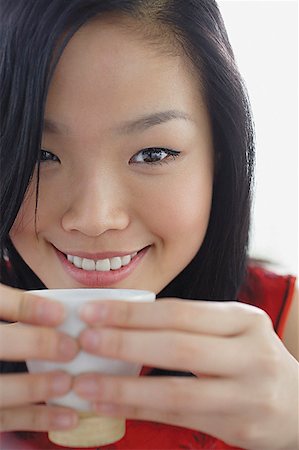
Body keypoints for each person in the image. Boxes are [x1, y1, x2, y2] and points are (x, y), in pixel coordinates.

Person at [0, 0, 298, 449]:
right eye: (42, 155)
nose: (95, 219)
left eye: (153, 154)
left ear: (220, 158)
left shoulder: (284, 331)